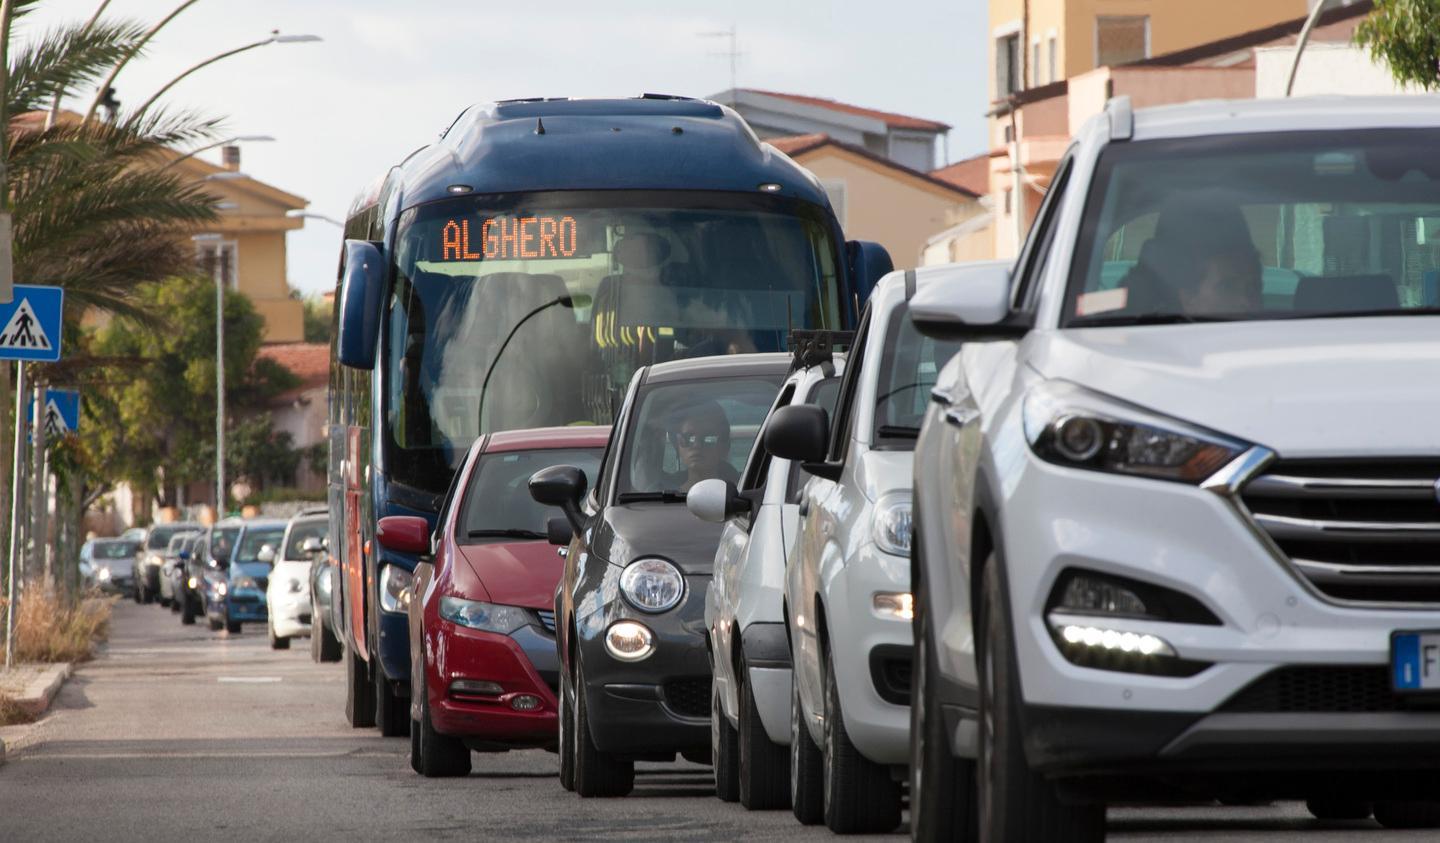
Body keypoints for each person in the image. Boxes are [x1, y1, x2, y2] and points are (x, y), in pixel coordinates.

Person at [1117, 198, 1262, 317]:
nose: (1246, 301)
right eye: (1227, 287)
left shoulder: (1276, 343)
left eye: (1253, 287)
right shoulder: (1137, 345)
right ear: (1188, 298)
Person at [664, 399, 738, 492]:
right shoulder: (657, 496)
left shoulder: (741, 493)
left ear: (725, 447)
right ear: (677, 444)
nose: (696, 445)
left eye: (708, 439)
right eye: (688, 437)